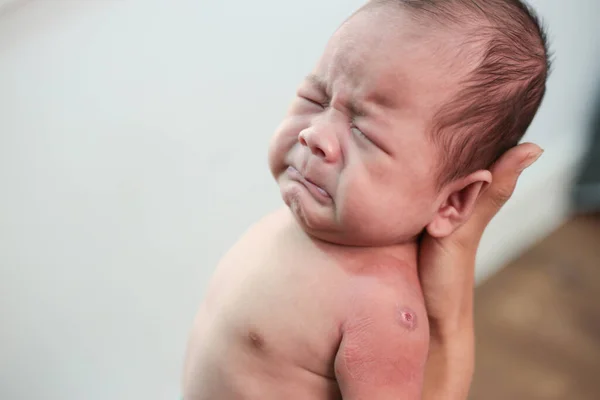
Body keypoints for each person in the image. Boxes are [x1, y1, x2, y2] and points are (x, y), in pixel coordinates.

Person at [182, 0, 550, 398]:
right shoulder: (311, 220)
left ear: (453, 201)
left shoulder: (380, 309)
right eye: (317, 97)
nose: (314, 135)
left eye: (364, 133)